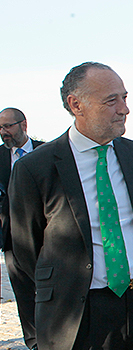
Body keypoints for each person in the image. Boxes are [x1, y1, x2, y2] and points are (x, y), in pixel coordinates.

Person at [10, 62, 133, 350]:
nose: (124, 109)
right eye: (111, 100)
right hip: (78, 316)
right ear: (76, 105)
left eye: (124, 97)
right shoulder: (35, 168)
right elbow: (26, 252)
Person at [0, 107, 44, 349]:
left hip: (49, 236)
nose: (3, 132)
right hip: (12, 238)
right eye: (0, 128)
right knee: (24, 292)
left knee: (50, 289)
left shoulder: (46, 151)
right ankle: (35, 342)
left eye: (8, 126)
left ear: (23, 124)